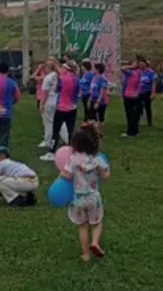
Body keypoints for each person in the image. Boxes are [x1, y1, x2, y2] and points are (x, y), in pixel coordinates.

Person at [60, 124, 111, 261]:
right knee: (97, 222)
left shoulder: (73, 159)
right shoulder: (98, 159)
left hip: (79, 198)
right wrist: (104, 171)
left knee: (83, 226)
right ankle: (94, 242)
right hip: (94, 197)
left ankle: (86, 255)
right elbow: (105, 177)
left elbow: (68, 176)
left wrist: (61, 174)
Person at [42, 61, 79, 162]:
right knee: (70, 130)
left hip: (61, 108)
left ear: (66, 69)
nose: (61, 70)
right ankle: (72, 152)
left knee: (55, 130)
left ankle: (52, 152)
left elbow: (56, 90)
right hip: (73, 108)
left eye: (63, 68)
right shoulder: (76, 79)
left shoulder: (61, 79)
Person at [38, 60, 59, 148]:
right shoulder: (56, 75)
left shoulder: (48, 77)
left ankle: (48, 141)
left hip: (49, 100)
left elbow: (45, 92)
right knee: (57, 121)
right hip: (56, 99)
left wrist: (42, 104)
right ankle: (66, 138)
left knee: (48, 122)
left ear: (47, 67)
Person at [119, 59, 142, 138]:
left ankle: (130, 132)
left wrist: (131, 66)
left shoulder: (132, 73)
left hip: (129, 95)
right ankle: (135, 131)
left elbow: (122, 68)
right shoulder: (138, 73)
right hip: (132, 95)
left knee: (130, 114)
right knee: (133, 114)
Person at [136, 59, 155, 127]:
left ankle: (149, 122)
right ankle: (137, 121)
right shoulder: (137, 72)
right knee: (138, 107)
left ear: (145, 64)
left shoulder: (150, 72)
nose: (141, 65)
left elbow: (153, 83)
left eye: (142, 64)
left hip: (147, 92)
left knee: (148, 107)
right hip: (139, 92)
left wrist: (153, 93)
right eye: (139, 64)